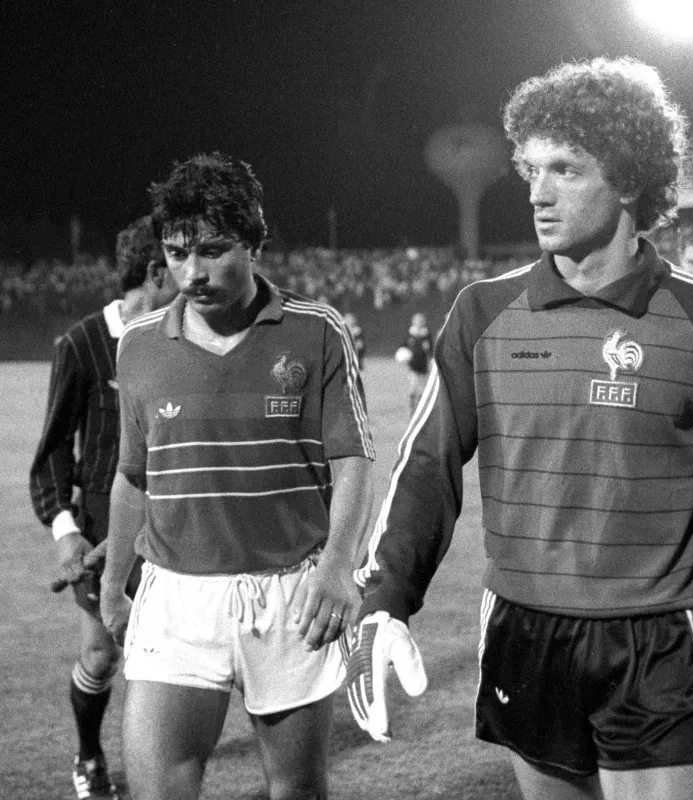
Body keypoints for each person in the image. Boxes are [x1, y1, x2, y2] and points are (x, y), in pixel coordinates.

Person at [347, 58, 693, 800]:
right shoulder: (482, 313)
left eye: (565, 168)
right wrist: (385, 595)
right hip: (524, 630)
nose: (537, 191)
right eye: (531, 169)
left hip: (655, 635)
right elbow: (427, 466)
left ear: (627, 179)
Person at [99, 152, 376, 800]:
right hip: (175, 597)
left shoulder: (316, 331)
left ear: (253, 239)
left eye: (213, 250)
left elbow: (354, 459)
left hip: (285, 595)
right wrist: (114, 583)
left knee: (296, 789)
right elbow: (133, 476)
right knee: (156, 787)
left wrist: (338, 568)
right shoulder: (138, 344)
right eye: (175, 253)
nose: (191, 273)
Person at [29, 215, 179, 800]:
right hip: (101, 528)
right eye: (177, 263)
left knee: (166, 658)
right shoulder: (83, 343)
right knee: (101, 652)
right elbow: (50, 453)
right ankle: (89, 754)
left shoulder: (183, 336)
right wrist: (65, 530)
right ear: (154, 271)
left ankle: (157, 768)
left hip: (174, 524)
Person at [395, 312, 434, 412]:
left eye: (421, 320)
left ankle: (421, 407)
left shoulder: (427, 334)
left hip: (424, 366)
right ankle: (412, 406)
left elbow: (431, 351)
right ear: (413, 321)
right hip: (413, 366)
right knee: (413, 387)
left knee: (422, 389)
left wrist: (429, 352)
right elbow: (402, 347)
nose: (419, 322)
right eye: (417, 320)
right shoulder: (409, 334)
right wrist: (402, 355)